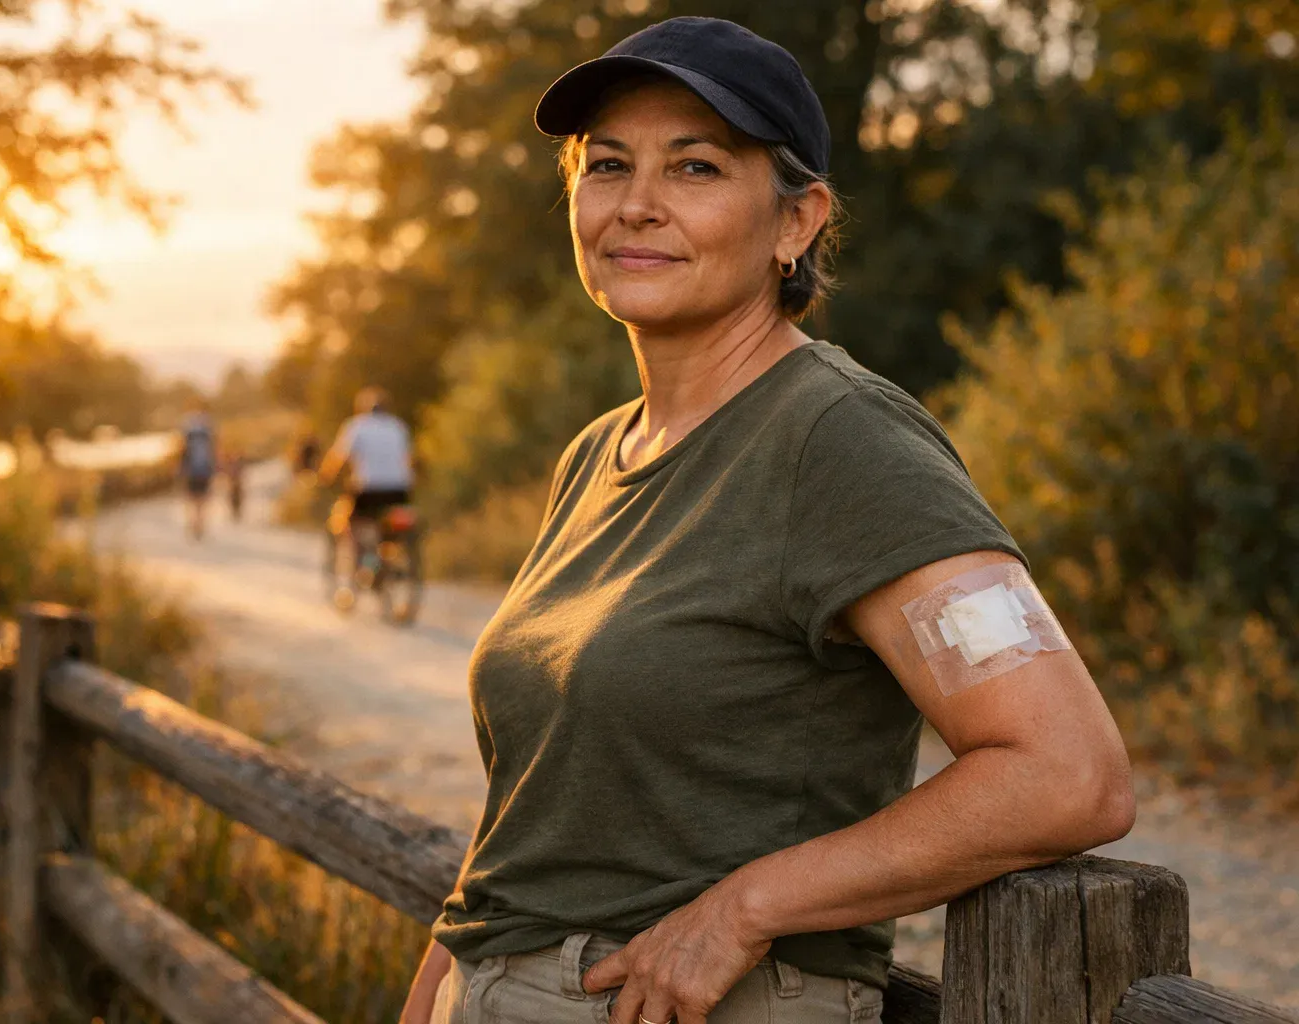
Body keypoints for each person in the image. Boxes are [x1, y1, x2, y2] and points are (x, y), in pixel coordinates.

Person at [401, 18, 1134, 1024]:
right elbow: (539, 799)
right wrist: (447, 977)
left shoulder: (840, 439)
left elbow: (1068, 772)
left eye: (696, 167)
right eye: (607, 166)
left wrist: (743, 910)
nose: (638, 206)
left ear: (796, 222)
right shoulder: (598, 453)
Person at [318, 387, 415, 569]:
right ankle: (389, 559)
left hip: (368, 488)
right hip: (399, 490)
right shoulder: (398, 426)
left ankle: (364, 563)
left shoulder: (357, 426)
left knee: (350, 522)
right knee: (390, 526)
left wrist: (325, 477)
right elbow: (408, 460)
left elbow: (338, 458)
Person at [179, 402, 216, 541]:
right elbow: (213, 449)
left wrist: (181, 467)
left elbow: (182, 448)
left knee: (191, 498)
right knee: (202, 500)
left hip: (191, 470)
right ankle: (199, 524)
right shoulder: (208, 426)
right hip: (204, 469)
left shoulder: (187, 425)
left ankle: (193, 523)